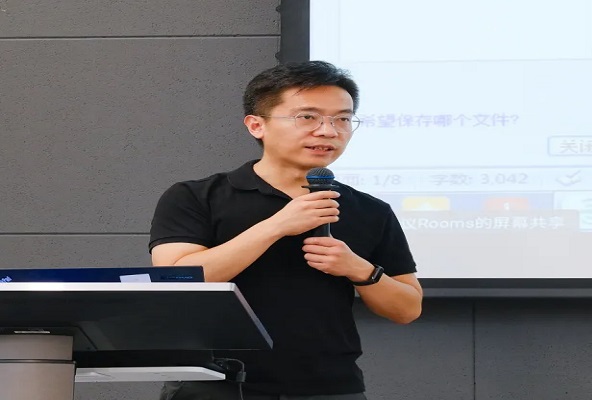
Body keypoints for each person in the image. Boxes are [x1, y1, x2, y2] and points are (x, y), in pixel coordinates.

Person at [149, 61, 423, 400]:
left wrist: (358, 269)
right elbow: (176, 281)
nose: (328, 131)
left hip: (330, 388)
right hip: (216, 385)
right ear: (256, 125)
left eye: (342, 119)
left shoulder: (370, 209)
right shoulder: (196, 196)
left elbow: (408, 308)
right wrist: (276, 226)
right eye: (307, 117)